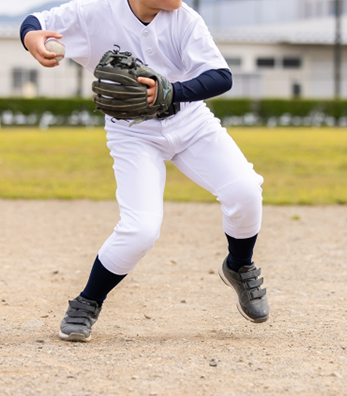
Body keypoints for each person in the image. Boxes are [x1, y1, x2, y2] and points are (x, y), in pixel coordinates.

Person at [20, 0, 269, 342]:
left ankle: (239, 265)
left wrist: (173, 91)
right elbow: (37, 21)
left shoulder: (184, 20)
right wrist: (31, 37)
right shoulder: (95, 14)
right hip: (132, 133)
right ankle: (87, 301)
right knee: (141, 230)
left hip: (191, 122)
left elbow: (221, 76)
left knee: (245, 191)